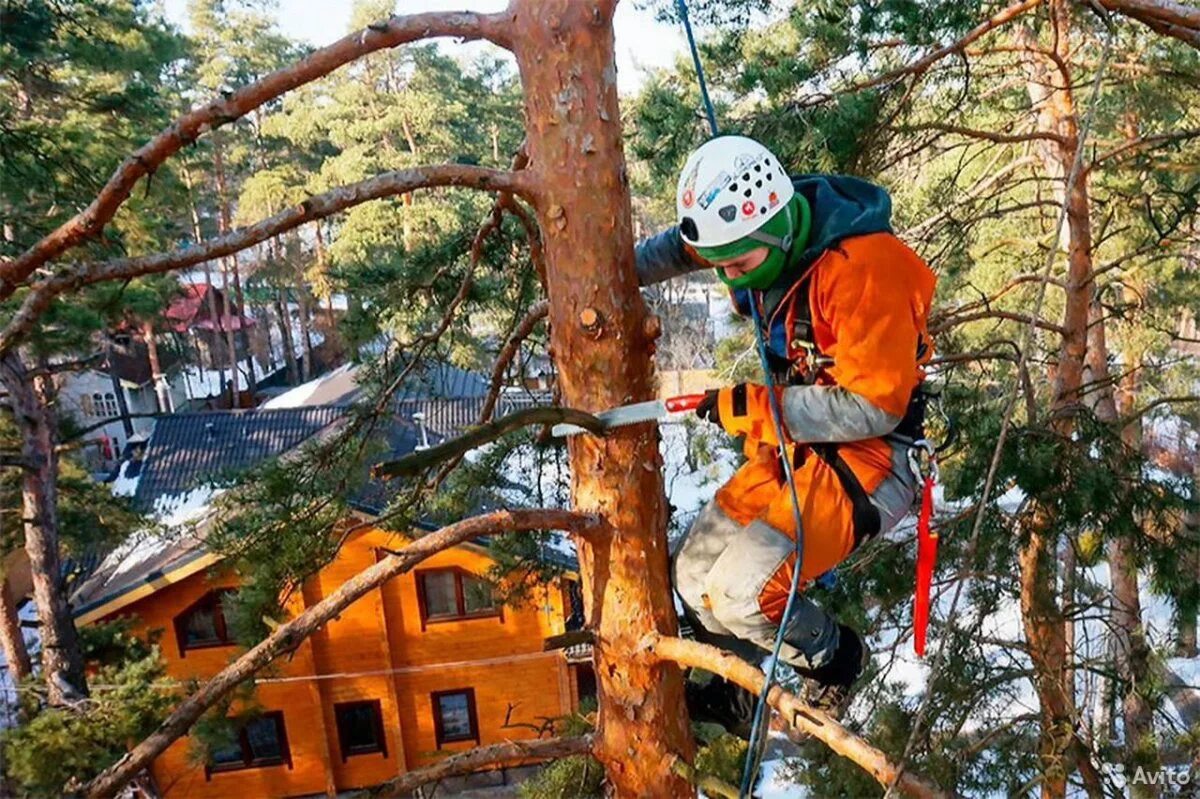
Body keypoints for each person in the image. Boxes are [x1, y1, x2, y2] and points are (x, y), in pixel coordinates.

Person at [634, 135, 936, 728]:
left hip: (872, 459)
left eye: (738, 267)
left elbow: (874, 407)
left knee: (743, 596)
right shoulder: (752, 229)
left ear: (773, 236)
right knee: (694, 578)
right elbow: (684, 248)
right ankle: (739, 691)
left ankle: (834, 659)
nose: (727, 275)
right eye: (720, 263)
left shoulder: (866, 270)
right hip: (801, 443)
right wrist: (609, 267)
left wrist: (755, 407)